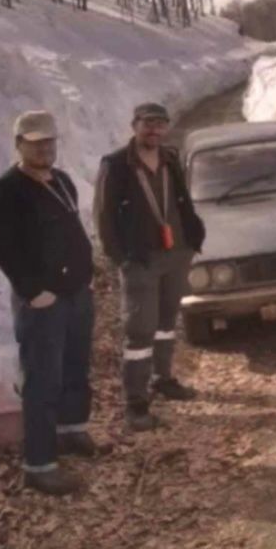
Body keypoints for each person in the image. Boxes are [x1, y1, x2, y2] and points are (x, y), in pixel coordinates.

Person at [0, 111, 96, 496]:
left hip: (76, 293)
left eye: (49, 141)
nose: (44, 148)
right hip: (44, 301)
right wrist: (34, 291)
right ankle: (39, 463)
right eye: (35, 142)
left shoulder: (62, 180)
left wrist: (85, 275)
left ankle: (70, 431)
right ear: (19, 144)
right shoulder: (8, 189)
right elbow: (4, 248)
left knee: (75, 366)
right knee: (42, 379)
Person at [94, 103, 205, 432]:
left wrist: (192, 237)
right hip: (141, 259)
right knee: (140, 330)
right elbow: (104, 217)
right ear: (134, 125)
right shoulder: (116, 164)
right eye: (147, 124)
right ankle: (136, 403)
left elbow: (182, 199)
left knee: (167, 321)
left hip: (176, 253)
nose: (153, 130)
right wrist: (122, 258)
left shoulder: (170, 158)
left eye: (160, 124)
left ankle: (163, 378)